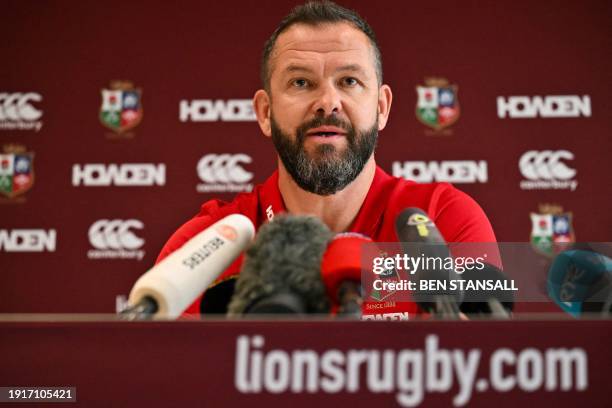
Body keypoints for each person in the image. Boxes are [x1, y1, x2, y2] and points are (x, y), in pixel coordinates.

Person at [156, 1, 498, 315]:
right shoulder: (206, 245)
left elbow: (486, 363)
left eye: (349, 81)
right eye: (301, 82)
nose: (328, 102)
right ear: (265, 112)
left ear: (381, 107)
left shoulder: (445, 219)